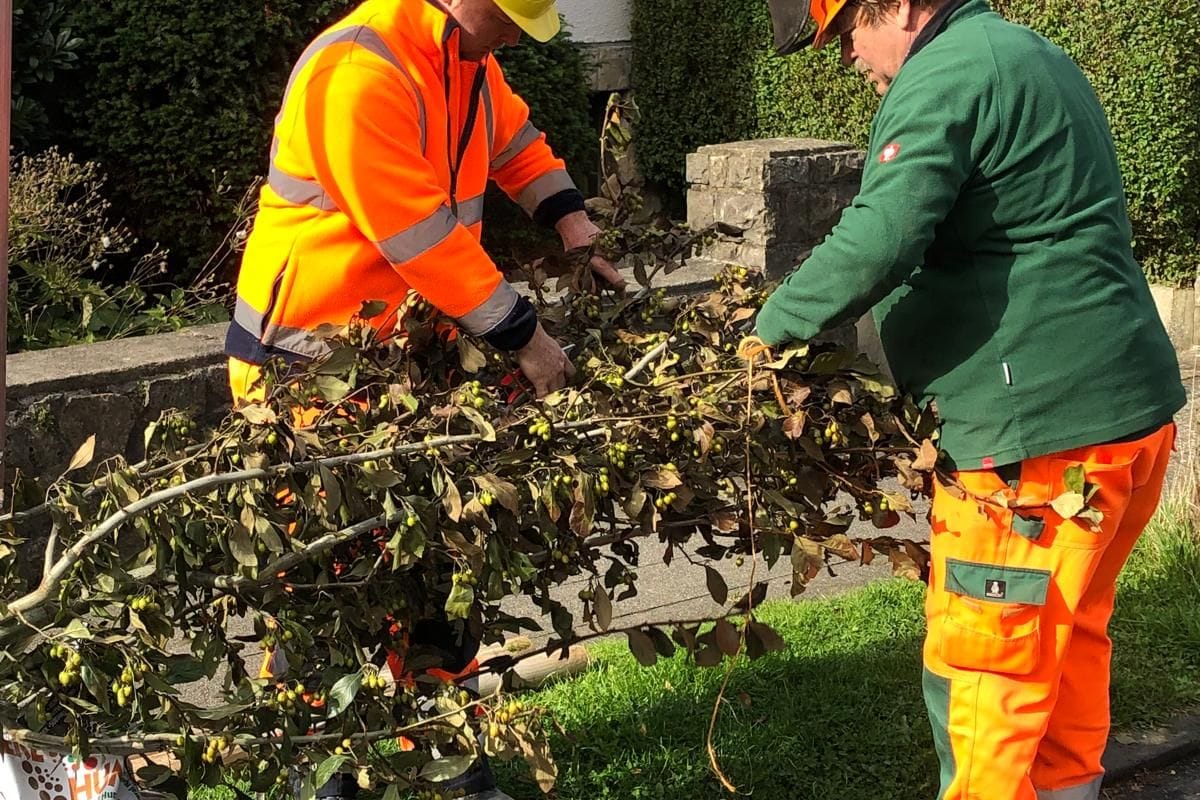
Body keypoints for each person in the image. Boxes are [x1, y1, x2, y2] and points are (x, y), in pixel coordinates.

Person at [756, 1, 1185, 798]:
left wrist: (762, 336)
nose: (844, 55)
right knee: (1066, 648)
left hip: (1035, 448)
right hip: (1115, 422)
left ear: (901, 4)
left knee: (985, 675)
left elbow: (880, 234)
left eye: (845, 30)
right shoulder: (1020, 51)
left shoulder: (947, 74)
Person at [225, 0, 622, 797]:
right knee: (329, 575)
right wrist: (526, 338)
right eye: (511, 17)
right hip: (310, 371)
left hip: (411, 353)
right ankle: (324, 772)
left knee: (445, 553)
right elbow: (416, 232)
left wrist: (573, 223)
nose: (518, 33)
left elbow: (516, 144)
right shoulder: (359, 70)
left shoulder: (468, 61)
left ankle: (444, 761)